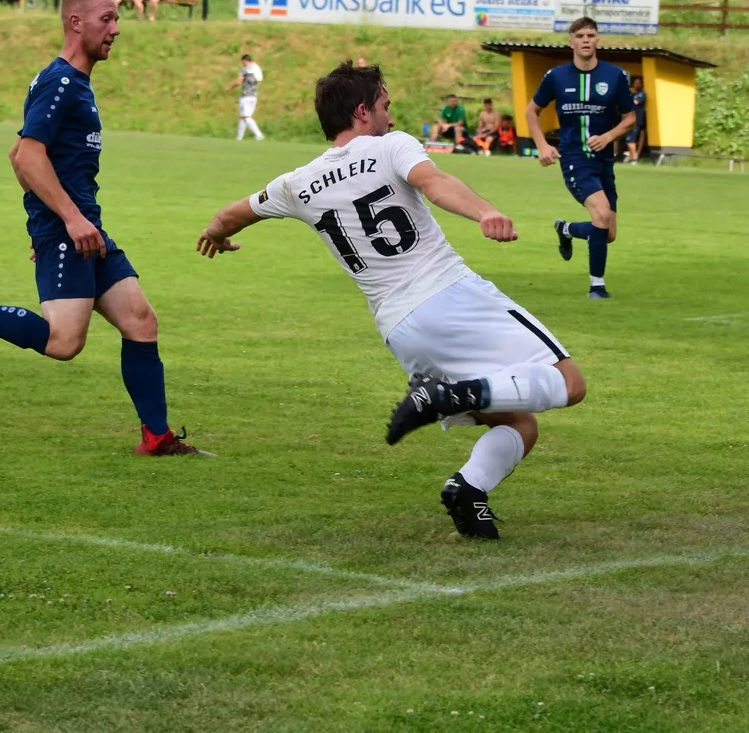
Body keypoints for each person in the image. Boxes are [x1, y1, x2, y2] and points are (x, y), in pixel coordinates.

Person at [194, 62, 587, 539]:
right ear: (362, 112)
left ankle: (468, 489)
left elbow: (231, 213)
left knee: (517, 422)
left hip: (399, 328)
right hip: (450, 294)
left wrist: (216, 234)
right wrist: (486, 211)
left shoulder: (297, 183)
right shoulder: (389, 147)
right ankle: (451, 397)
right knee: (569, 382)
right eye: (384, 106)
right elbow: (433, 182)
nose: (390, 115)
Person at [0, 0, 209, 457]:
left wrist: (60, 215)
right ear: (76, 22)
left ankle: (157, 436)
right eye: (107, 18)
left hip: (83, 228)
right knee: (63, 342)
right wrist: (63, 219)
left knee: (140, 320)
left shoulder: (75, 83)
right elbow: (30, 155)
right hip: (72, 230)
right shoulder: (60, 82)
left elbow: (17, 155)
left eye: (117, 19)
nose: (116, 29)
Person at [525, 17, 635, 300]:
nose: (586, 40)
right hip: (574, 157)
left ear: (598, 40)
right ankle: (597, 287)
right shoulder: (556, 77)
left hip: (604, 160)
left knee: (607, 232)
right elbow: (531, 112)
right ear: (570, 41)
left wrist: (608, 137)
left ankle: (567, 229)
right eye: (580, 35)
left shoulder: (615, 76)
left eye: (591, 35)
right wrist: (542, 145)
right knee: (600, 214)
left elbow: (630, 118)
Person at [225, 54, 265, 141]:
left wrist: (229, 88)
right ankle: (239, 138)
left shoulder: (245, 69)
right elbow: (260, 79)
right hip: (254, 96)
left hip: (246, 96)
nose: (242, 64)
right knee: (242, 117)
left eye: (243, 62)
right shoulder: (256, 68)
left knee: (246, 117)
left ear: (245, 61)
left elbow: (238, 81)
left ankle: (259, 134)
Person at [623, 76, 647, 164]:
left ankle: (634, 159)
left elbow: (634, 103)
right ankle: (631, 157)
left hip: (637, 120)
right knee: (628, 139)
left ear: (641, 84)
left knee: (630, 139)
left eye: (638, 83)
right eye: (635, 83)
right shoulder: (632, 94)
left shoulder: (641, 94)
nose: (636, 85)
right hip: (630, 120)